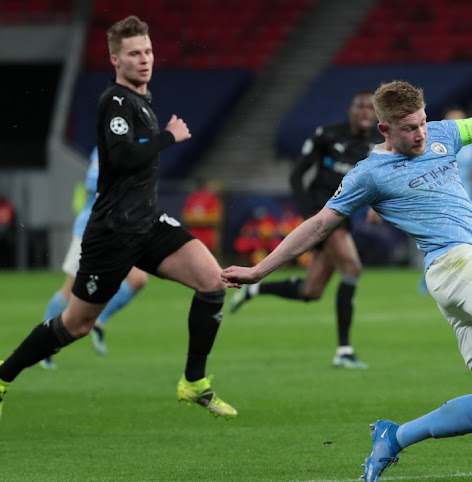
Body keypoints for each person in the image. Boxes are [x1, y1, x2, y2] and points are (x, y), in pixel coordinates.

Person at [222, 79, 472, 482]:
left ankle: (394, 437)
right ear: (385, 129)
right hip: (454, 262)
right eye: (409, 128)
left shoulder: (444, 134)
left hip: (464, 273)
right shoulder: (368, 175)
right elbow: (319, 223)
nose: (420, 132)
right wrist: (259, 269)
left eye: (422, 122)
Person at [0, 15, 236, 422]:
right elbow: (125, 156)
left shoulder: (142, 99)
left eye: (147, 51)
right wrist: (168, 137)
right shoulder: (115, 101)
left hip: (146, 222)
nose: (144, 59)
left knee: (213, 282)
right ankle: (2, 378)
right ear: (116, 60)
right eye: (134, 54)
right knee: (77, 325)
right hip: (112, 231)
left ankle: (193, 383)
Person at [229, 90, 381, 369]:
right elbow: (297, 174)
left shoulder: (378, 144)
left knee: (312, 291)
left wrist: (376, 207)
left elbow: (381, 181)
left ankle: (255, 291)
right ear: (351, 110)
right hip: (323, 213)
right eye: (360, 106)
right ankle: (344, 351)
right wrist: (309, 213)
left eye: (370, 108)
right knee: (352, 267)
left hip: (345, 217)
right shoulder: (328, 134)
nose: (365, 112)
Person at [39, 148, 149, 370]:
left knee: (138, 279)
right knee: (69, 291)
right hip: (91, 230)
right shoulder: (105, 146)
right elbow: (95, 185)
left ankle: (99, 320)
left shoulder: (135, 140)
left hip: (117, 230)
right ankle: (43, 345)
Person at [418, 105, 472, 294]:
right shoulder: (435, 142)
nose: (457, 124)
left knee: (469, 236)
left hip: (465, 192)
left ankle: (465, 277)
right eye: (453, 120)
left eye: (460, 120)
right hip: (443, 194)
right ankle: (429, 277)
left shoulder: (471, 143)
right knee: (442, 236)